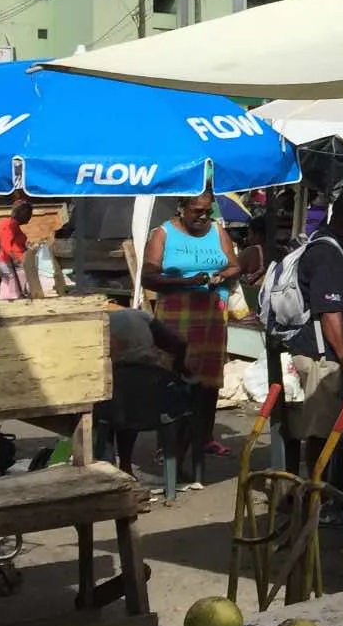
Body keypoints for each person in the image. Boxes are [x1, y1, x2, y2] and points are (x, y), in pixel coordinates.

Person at [142, 193, 239, 489]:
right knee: (175, 381)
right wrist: (186, 282)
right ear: (181, 208)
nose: (203, 216)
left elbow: (234, 265)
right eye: (197, 211)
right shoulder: (163, 234)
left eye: (207, 211)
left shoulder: (217, 230)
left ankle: (201, 439)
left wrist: (222, 274)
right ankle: (168, 447)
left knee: (207, 384)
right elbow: (148, 276)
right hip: (176, 317)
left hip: (211, 317)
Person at [282, 190, 343, 482]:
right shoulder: (327, 253)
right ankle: (316, 492)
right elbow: (328, 311)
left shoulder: (338, 248)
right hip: (324, 356)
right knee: (321, 432)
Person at [100, 306, 190, 477]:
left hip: (113, 399)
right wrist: (179, 369)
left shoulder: (100, 323)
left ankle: (120, 466)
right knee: (186, 408)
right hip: (149, 397)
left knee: (111, 416)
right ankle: (174, 468)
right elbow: (179, 344)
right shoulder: (141, 316)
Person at [0, 199, 34, 300]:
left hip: (5, 261)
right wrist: (16, 259)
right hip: (11, 263)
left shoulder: (8, 223)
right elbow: (5, 244)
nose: (29, 217)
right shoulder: (11, 225)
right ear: (21, 213)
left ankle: (2, 304)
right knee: (15, 292)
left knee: (5, 287)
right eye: (28, 214)